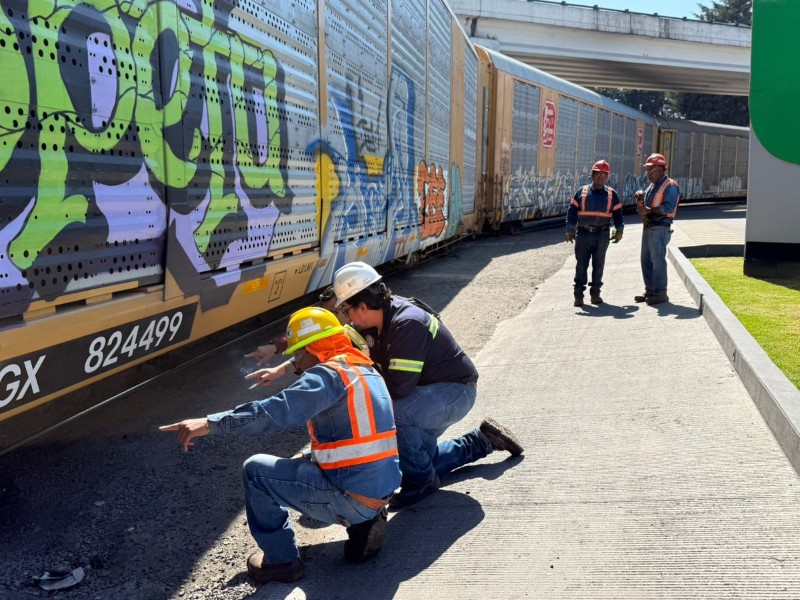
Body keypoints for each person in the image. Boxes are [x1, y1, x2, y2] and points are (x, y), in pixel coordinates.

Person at [160, 307, 401, 583]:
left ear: (314, 347)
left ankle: (281, 561)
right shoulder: (363, 369)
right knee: (309, 455)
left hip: (352, 497)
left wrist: (209, 423)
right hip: (380, 489)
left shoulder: (326, 376)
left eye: (298, 353)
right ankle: (365, 522)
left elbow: (273, 413)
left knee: (256, 472)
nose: (296, 363)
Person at [332, 261, 524, 509]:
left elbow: (398, 389)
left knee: (395, 414)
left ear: (363, 306)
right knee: (417, 460)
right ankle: (482, 441)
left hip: (455, 391)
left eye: (346, 310)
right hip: (428, 393)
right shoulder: (379, 320)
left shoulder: (406, 323)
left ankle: (422, 482)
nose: (345, 317)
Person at [565, 160, 624, 307]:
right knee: (581, 265)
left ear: (607, 177)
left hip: (602, 235)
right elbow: (571, 212)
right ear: (592, 175)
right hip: (584, 234)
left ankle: (595, 294)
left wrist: (619, 231)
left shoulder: (612, 194)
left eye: (604, 175)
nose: (601, 177)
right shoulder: (582, 192)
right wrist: (570, 229)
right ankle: (578, 296)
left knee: (599, 266)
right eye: (598, 174)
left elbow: (618, 215)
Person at [634, 153, 681, 305]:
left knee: (657, 260)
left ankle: (660, 293)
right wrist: (641, 198)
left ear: (661, 169)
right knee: (646, 260)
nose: (648, 173)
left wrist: (648, 210)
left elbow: (668, 207)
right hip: (649, 227)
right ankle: (650, 291)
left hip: (660, 227)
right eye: (647, 170)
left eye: (651, 170)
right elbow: (649, 205)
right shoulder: (653, 185)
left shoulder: (670, 186)